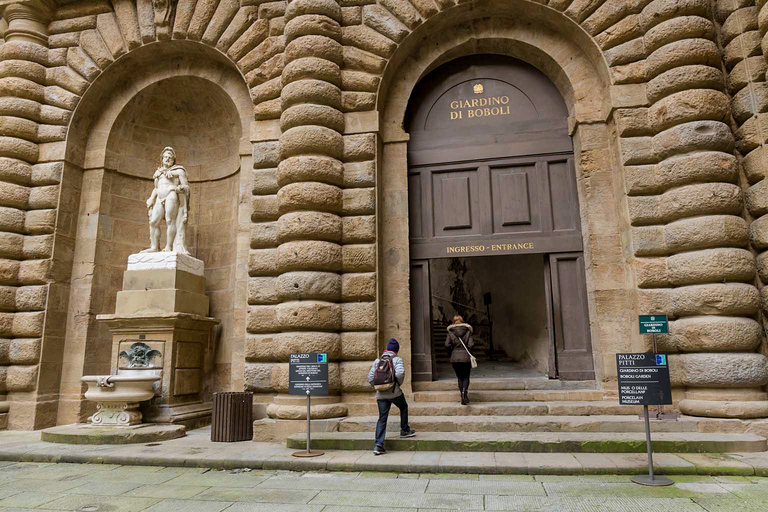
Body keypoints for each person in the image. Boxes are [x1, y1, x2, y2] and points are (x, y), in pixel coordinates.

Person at [367, 338, 416, 455]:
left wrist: (379, 385)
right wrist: (396, 384)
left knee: (382, 418)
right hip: (394, 392)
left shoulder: (378, 360)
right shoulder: (397, 359)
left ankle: (378, 445)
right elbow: (400, 373)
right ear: (396, 351)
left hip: (380, 395)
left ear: (386, 349)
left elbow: (370, 378)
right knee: (403, 407)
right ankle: (404, 430)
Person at [142, 146, 190, 254]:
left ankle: (168, 247)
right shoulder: (158, 172)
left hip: (171, 194)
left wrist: (179, 186)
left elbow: (186, 187)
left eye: (170, 157)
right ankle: (154, 247)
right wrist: (151, 197)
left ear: (173, 160)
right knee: (153, 222)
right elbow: (156, 188)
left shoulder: (179, 171)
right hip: (159, 196)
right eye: (165, 157)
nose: (167, 159)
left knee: (170, 220)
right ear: (162, 158)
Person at [445, 315, 474, 405]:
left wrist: (451, 353)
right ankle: (464, 393)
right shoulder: (468, 331)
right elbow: (471, 344)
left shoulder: (451, 332)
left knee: (460, 377)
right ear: (462, 321)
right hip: (465, 358)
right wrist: (468, 352)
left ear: (454, 322)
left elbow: (447, 344)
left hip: (455, 358)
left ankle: (462, 394)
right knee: (466, 377)